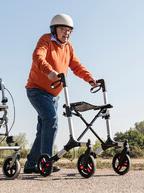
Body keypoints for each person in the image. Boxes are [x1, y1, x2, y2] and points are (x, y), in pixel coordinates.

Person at [24, 13, 97, 173]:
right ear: (54, 30)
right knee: (51, 120)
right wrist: (49, 70)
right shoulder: (45, 40)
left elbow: (76, 66)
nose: (66, 33)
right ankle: (47, 161)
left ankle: (31, 164)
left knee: (44, 128)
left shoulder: (68, 47)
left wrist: (89, 78)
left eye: (69, 30)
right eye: (63, 29)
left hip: (53, 95)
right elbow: (38, 56)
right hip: (36, 90)